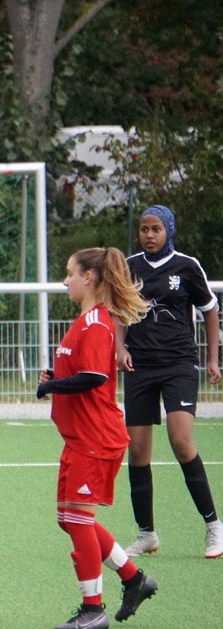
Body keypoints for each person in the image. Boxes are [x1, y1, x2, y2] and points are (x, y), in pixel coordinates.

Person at [36, 247, 158, 628]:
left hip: (95, 438)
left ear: (88, 277)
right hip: (80, 438)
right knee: (68, 519)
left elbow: (93, 377)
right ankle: (134, 580)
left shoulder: (95, 323)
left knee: (77, 520)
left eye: (70, 273)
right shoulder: (85, 320)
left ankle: (92, 611)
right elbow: (83, 369)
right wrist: (54, 376)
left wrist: (51, 386)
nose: (65, 281)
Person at [115, 205, 223, 560]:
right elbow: (118, 311)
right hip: (139, 366)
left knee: (181, 440)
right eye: (144, 229)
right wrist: (119, 348)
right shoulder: (129, 267)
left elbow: (209, 309)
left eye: (156, 229)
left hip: (179, 364)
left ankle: (214, 526)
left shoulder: (187, 266)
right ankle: (146, 533)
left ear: (169, 231)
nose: (149, 235)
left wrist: (212, 358)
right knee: (137, 450)